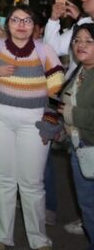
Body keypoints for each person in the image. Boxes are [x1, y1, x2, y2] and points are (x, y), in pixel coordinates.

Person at [0, 5, 63, 250]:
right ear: (7, 24)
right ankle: (0, 236)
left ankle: (39, 238)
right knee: (2, 179)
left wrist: (50, 116)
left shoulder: (45, 50)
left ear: (35, 26)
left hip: (33, 120)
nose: (21, 25)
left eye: (27, 20)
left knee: (32, 182)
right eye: (16, 20)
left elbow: (57, 84)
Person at [57, 23, 94, 248]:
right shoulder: (81, 70)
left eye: (89, 41)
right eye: (77, 40)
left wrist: (70, 113)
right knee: (88, 208)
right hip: (79, 149)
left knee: (90, 208)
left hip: (90, 147)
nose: (80, 45)